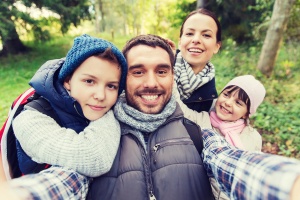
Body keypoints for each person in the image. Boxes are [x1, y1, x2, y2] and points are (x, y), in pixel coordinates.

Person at [1, 34, 300, 200]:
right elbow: (66, 180)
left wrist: (287, 183)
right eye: (138, 71)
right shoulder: (98, 136)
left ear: (172, 76)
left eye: (162, 70)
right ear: (123, 82)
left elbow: (233, 163)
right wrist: (24, 195)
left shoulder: (197, 132)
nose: (152, 83)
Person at [10, 34, 127, 182]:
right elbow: (94, 159)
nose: (100, 95)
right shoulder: (30, 120)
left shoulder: (95, 105)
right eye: (89, 81)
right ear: (68, 81)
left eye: (111, 86)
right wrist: (111, 112)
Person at [175, 75, 266, 200]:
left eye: (238, 103)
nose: (228, 103)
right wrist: (170, 74)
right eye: (226, 94)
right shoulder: (202, 121)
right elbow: (178, 106)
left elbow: (255, 175)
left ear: (247, 113)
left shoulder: (253, 137)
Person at [173, 8, 222, 112]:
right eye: (190, 33)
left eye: (206, 35)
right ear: (180, 41)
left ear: (216, 46)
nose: (196, 40)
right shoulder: (158, 68)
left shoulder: (212, 100)